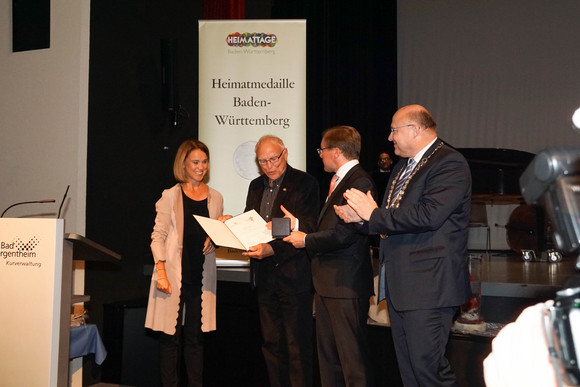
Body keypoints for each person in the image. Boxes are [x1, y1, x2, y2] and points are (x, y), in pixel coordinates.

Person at [335, 105, 472, 387]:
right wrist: (360, 220)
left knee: (428, 371)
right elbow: (390, 220)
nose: (389, 137)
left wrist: (372, 214)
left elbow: (428, 214)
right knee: (410, 373)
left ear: (415, 129)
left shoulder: (449, 163)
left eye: (394, 130)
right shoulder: (403, 166)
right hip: (402, 287)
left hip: (429, 288)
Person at [283, 125, 375, 387]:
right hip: (329, 284)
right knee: (329, 361)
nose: (320, 155)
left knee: (352, 363)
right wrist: (300, 227)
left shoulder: (359, 181)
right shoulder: (340, 180)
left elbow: (346, 235)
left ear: (336, 151)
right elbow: (331, 228)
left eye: (322, 150)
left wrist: (306, 240)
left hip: (345, 285)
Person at [242, 135, 320, 387]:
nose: (268, 166)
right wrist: (235, 225)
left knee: (297, 347)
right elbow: (251, 223)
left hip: (294, 277)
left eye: (273, 159)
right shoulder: (255, 185)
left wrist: (272, 249)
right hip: (264, 279)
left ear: (285, 154)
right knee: (271, 345)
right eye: (262, 161)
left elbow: (310, 227)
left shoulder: (305, 183)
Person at [145, 139, 223, 387]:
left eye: (204, 161)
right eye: (196, 162)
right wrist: (161, 273)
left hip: (201, 278)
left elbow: (214, 234)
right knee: (170, 340)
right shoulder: (170, 195)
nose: (201, 167)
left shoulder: (216, 197)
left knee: (196, 341)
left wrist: (216, 237)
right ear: (184, 164)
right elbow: (157, 237)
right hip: (173, 277)